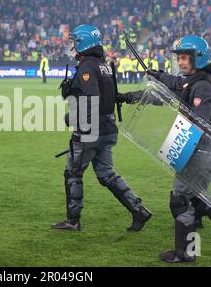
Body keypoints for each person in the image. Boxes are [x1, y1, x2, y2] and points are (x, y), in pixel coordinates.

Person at [118, 35, 211, 262]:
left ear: (198, 58)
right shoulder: (199, 80)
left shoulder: (202, 88)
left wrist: (178, 109)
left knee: (180, 199)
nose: (181, 62)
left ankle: (186, 254)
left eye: (185, 58)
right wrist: (159, 77)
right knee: (198, 199)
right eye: (179, 58)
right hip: (210, 151)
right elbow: (178, 86)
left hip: (199, 152)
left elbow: (198, 125)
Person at [52, 24, 152, 232]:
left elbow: (91, 99)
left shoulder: (87, 67)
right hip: (108, 128)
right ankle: (138, 210)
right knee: (106, 174)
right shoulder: (104, 65)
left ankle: (73, 220)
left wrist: (74, 117)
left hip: (91, 130)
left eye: (75, 41)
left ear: (82, 42)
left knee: (73, 172)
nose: (73, 45)